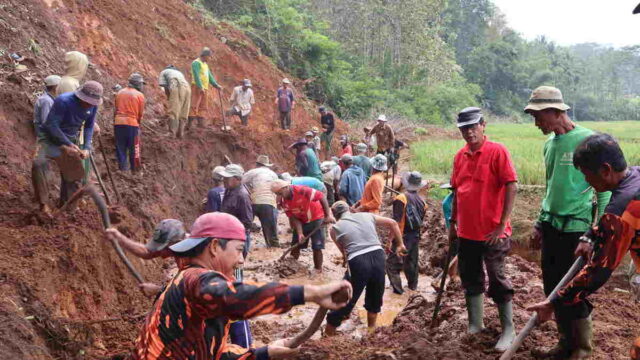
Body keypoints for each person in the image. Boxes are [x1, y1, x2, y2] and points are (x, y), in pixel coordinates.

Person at [129, 212, 352, 360]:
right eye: (238, 250)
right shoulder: (196, 280)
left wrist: (265, 353)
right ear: (215, 246)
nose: (242, 260)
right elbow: (235, 297)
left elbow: (214, 353)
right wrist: (310, 293)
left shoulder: (188, 284)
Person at [527, 134, 640, 359]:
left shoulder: (622, 209)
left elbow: (597, 273)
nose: (586, 182)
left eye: (587, 175)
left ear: (606, 170)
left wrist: (554, 302)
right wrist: (592, 234)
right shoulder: (635, 175)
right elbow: (609, 224)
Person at [523, 86, 611, 359]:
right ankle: (565, 343)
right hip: (552, 227)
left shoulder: (589, 141)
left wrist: (598, 230)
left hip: (578, 229)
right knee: (552, 289)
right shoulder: (549, 144)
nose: (536, 123)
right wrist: (540, 222)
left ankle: (582, 349)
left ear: (554, 112)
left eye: (538, 117)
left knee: (574, 289)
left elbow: (604, 189)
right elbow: (551, 187)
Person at [449, 107, 518, 352]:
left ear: (483, 124)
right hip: (467, 231)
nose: (469, 132)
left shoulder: (497, 151)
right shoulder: (460, 156)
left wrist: (502, 223)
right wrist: (452, 223)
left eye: (472, 126)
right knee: (470, 277)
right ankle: (475, 324)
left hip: (492, 232)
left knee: (497, 278)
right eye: (463, 128)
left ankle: (508, 329)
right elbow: (457, 191)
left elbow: (511, 184)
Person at [325, 201, 407, 335]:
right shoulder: (367, 215)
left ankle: (328, 334)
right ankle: (371, 331)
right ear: (349, 209)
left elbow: (344, 252)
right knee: (375, 294)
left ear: (335, 215)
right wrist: (400, 244)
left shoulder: (334, 229)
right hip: (378, 255)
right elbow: (393, 223)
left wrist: (347, 262)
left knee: (346, 296)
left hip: (358, 260)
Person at [32, 81, 103, 214]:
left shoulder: (93, 106)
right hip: (50, 138)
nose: (88, 104)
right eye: (86, 101)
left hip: (70, 139)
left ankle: (67, 208)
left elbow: (89, 126)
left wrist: (86, 147)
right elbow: (52, 126)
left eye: (91, 103)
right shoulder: (63, 101)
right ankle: (43, 205)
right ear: (80, 96)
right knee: (38, 164)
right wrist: (68, 144)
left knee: (74, 174)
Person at [271, 180, 336, 273]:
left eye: (280, 193)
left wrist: (327, 216)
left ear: (286, 188)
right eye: (276, 194)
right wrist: (300, 233)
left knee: (317, 246)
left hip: (316, 217)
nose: (279, 196)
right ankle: (291, 264)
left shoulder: (302, 190)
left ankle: (318, 269)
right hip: (302, 220)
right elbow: (293, 217)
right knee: (295, 244)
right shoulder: (282, 201)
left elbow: (321, 196)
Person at [386, 171, 427, 294]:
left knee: (391, 264)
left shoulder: (401, 198)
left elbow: (396, 222)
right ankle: (412, 289)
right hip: (415, 236)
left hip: (402, 237)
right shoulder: (422, 202)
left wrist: (390, 240)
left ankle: (398, 292)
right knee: (412, 263)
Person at [243, 155, 280, 248]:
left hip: (253, 202)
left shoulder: (252, 172)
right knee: (270, 228)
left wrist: (249, 189)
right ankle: (273, 246)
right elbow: (277, 188)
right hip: (268, 202)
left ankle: (242, 244)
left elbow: (241, 182)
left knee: (246, 225)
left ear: (257, 164)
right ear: (267, 165)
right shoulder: (273, 174)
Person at [219, 164, 253, 258]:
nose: (224, 180)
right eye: (224, 177)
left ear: (237, 179)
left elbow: (247, 221)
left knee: (236, 266)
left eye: (227, 178)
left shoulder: (242, 196)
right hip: (227, 235)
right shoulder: (228, 190)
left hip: (237, 237)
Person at [114, 73, 145, 172]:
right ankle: (134, 170)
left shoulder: (120, 92)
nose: (142, 86)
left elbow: (116, 108)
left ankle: (123, 169)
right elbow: (140, 113)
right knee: (134, 148)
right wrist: (138, 123)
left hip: (118, 123)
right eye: (141, 84)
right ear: (137, 84)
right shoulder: (140, 95)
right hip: (132, 124)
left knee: (120, 147)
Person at [188, 47, 222, 129]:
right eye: (209, 57)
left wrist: (216, 85)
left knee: (203, 105)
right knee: (194, 103)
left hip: (205, 87)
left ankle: (200, 122)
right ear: (205, 55)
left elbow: (209, 77)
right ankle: (190, 123)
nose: (210, 58)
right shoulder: (196, 63)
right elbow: (196, 76)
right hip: (197, 86)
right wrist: (200, 86)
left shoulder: (205, 65)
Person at [158, 65, 191, 138]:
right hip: (188, 88)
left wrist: (169, 98)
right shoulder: (179, 73)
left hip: (177, 85)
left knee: (174, 110)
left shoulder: (163, 72)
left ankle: (171, 133)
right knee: (183, 110)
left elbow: (165, 87)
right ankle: (180, 133)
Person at [33, 75, 61, 139]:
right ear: (55, 87)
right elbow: (45, 121)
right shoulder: (46, 101)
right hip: (42, 131)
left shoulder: (50, 98)